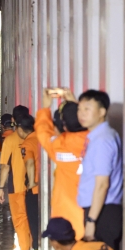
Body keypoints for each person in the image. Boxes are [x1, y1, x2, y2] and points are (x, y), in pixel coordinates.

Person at [35, 89, 88, 240]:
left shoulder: (60, 145)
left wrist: (45, 108)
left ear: (64, 126)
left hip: (67, 220)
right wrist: (74, 104)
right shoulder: (96, 139)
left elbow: (43, 132)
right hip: (95, 218)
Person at [77, 90, 123, 250]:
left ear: (102, 112)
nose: (81, 114)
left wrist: (91, 221)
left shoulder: (102, 140)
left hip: (102, 212)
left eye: (87, 109)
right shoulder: (98, 136)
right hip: (100, 210)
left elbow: (102, 184)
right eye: (80, 109)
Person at [0, 105, 32, 250]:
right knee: (31, 220)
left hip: (16, 186)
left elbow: (5, 167)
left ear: (13, 121)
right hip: (32, 186)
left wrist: (0, 188)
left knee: (20, 222)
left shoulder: (10, 140)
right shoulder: (34, 137)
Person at [16, 114, 39, 250]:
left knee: (34, 224)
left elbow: (29, 163)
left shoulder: (27, 144)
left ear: (20, 128)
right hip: (49, 189)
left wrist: (31, 182)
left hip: (35, 190)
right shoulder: (43, 138)